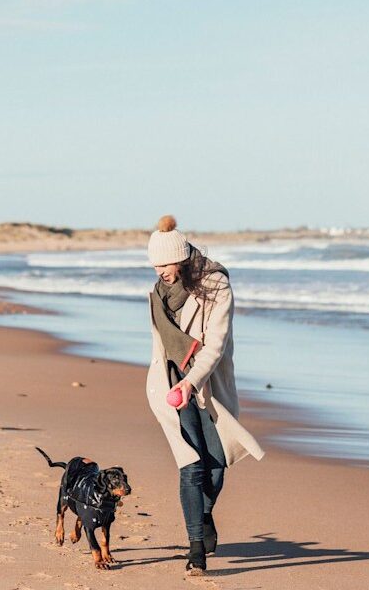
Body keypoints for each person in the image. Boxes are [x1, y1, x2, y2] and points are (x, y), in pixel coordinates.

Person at [145, 215, 263, 576]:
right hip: (170, 382)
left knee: (215, 464)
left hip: (207, 383)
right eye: (155, 264)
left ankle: (205, 514)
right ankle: (195, 549)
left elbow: (215, 345)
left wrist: (191, 382)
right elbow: (161, 345)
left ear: (181, 257)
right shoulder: (159, 294)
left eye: (165, 263)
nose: (160, 270)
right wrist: (176, 383)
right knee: (190, 464)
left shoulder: (216, 286)